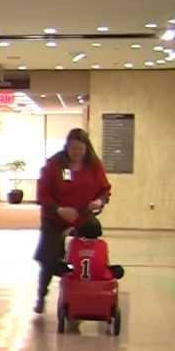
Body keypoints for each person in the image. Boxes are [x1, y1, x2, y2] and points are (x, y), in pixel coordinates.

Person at [34, 128, 111, 314]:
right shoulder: (54, 164)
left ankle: (91, 279)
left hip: (82, 215)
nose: (76, 152)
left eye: (79, 149)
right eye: (72, 148)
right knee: (49, 258)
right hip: (56, 217)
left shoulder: (94, 165)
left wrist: (99, 201)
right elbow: (42, 194)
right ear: (66, 147)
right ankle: (42, 295)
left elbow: (104, 190)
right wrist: (60, 210)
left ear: (86, 148)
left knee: (94, 231)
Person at [58, 216, 125, 281]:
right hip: (98, 278)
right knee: (119, 270)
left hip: (75, 277)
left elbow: (68, 262)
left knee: (56, 265)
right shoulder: (103, 244)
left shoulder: (73, 242)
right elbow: (105, 264)